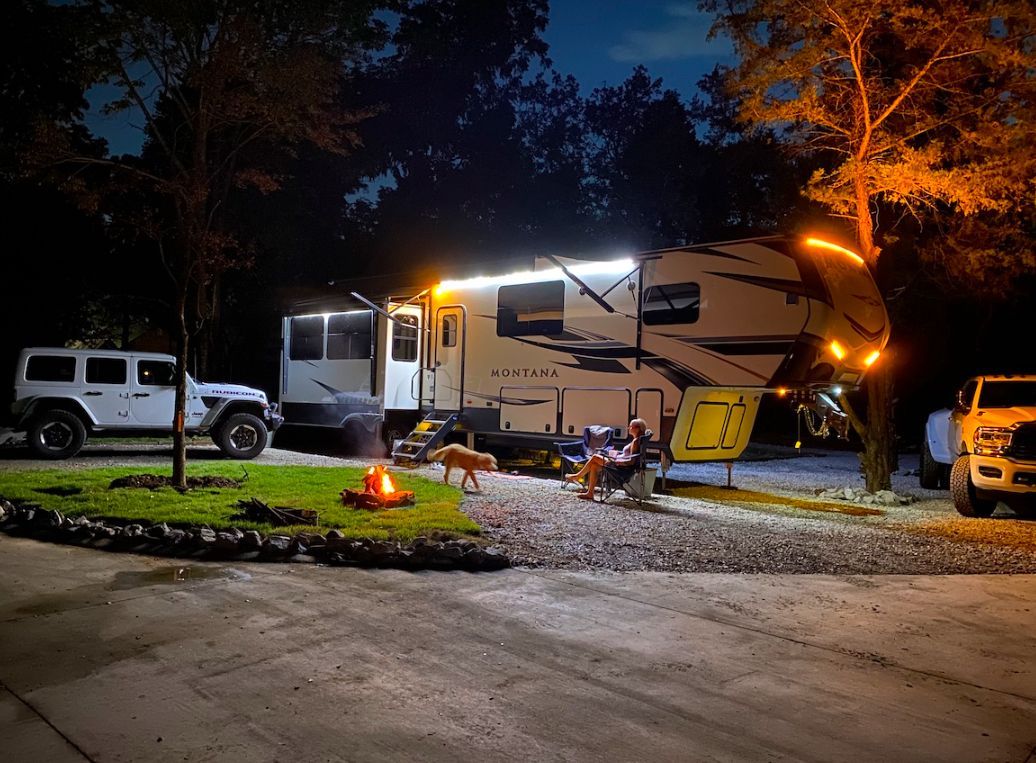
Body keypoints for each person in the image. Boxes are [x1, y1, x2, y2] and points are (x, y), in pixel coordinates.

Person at [564, 418, 648, 500]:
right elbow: (630, 456)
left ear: (637, 428)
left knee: (595, 457)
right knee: (594, 466)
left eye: (631, 426)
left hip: (620, 467)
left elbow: (631, 461)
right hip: (619, 462)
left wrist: (618, 461)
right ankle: (590, 493)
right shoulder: (637, 440)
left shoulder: (636, 441)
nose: (629, 428)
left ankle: (577, 476)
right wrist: (617, 455)